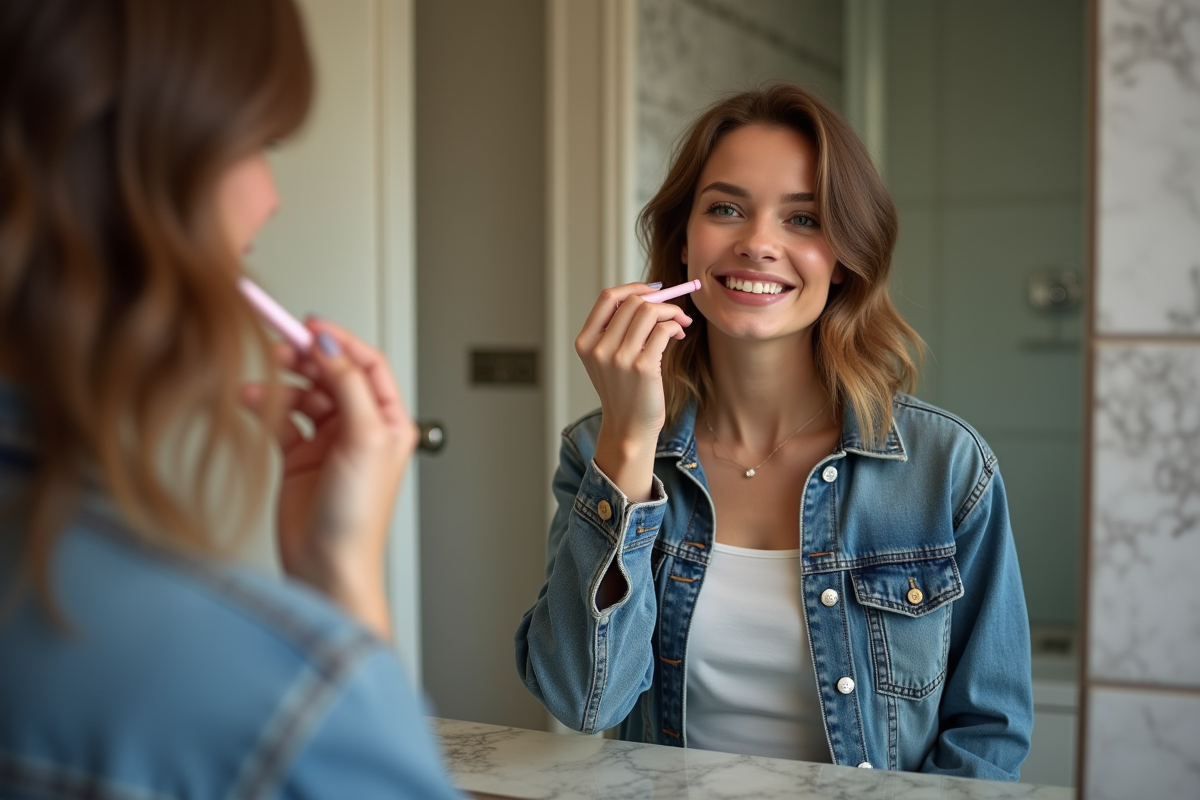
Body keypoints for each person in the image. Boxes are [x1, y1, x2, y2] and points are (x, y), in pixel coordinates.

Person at [0, 2, 462, 798]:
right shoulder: (285, 706)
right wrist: (344, 601)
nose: (272, 196)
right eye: (258, 142)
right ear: (118, 174)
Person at [516, 84, 1033, 780]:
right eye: (725, 208)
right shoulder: (595, 451)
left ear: (847, 257)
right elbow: (582, 701)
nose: (758, 243)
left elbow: (989, 729)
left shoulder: (946, 467)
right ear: (683, 246)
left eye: (803, 219)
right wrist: (628, 446)